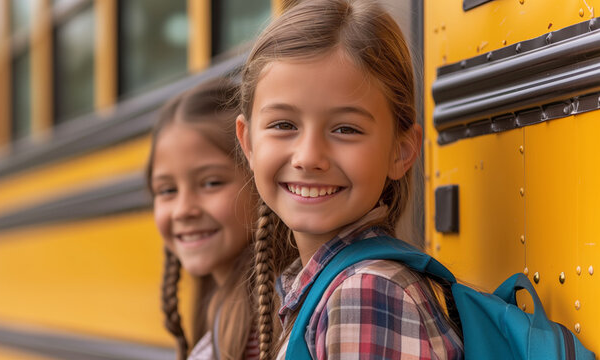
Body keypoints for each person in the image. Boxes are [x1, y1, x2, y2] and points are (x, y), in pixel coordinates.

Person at [233, 0, 464, 359]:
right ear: (247, 142)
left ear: (400, 152)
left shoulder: (366, 294)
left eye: (345, 129)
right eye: (284, 125)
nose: (309, 157)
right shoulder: (329, 286)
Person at [146, 78, 260, 360]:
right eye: (167, 190)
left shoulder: (265, 329)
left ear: (260, 182)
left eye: (211, 183)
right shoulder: (224, 312)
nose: (183, 210)